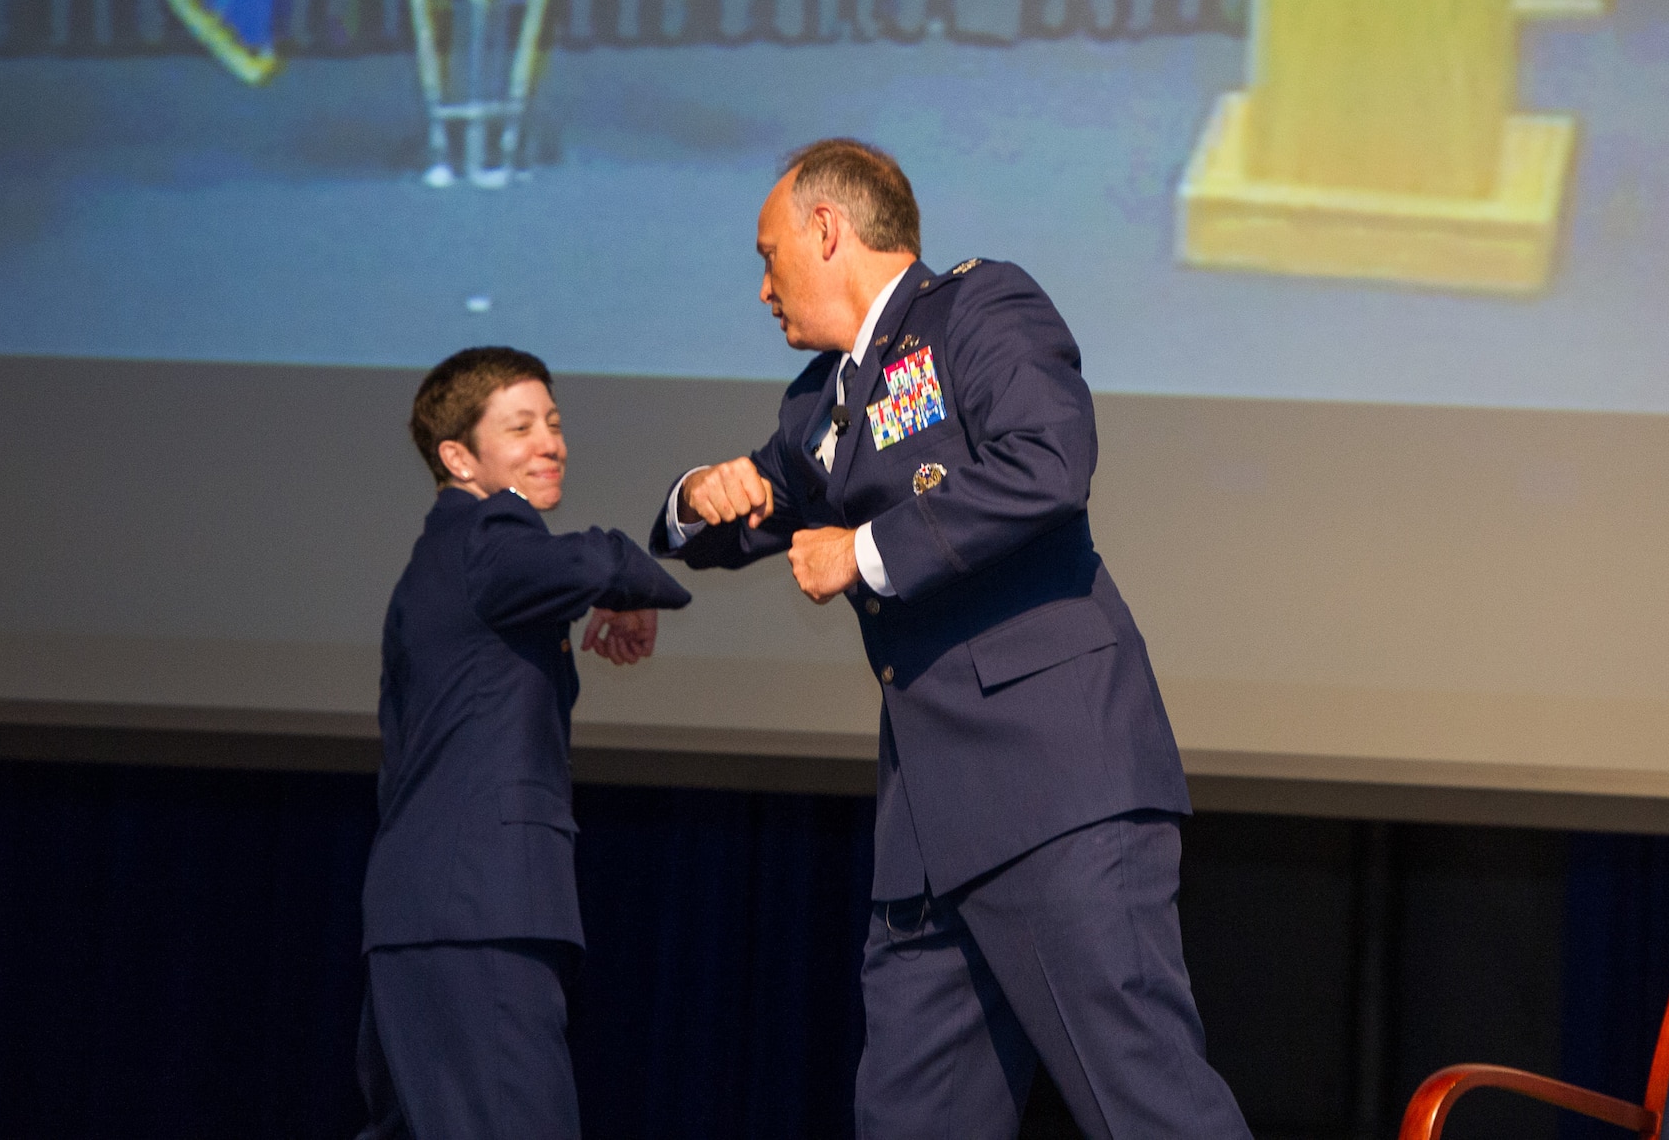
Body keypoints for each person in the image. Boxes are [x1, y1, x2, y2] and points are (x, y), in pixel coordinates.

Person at [651, 139, 1253, 1139]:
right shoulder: (816, 402)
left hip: (1050, 791)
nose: (761, 289)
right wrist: (691, 501)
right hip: (928, 836)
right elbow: (727, 525)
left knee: (1145, 1106)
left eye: (768, 255)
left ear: (826, 229)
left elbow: (1047, 466)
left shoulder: (980, 307)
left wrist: (866, 552)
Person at [358, 346, 691, 1140]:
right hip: (480, 910)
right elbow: (601, 555)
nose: (551, 442)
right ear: (457, 456)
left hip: (422, 916)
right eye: (521, 426)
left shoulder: (440, 561)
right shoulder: (488, 532)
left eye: (554, 422)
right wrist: (631, 583)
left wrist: (610, 589)